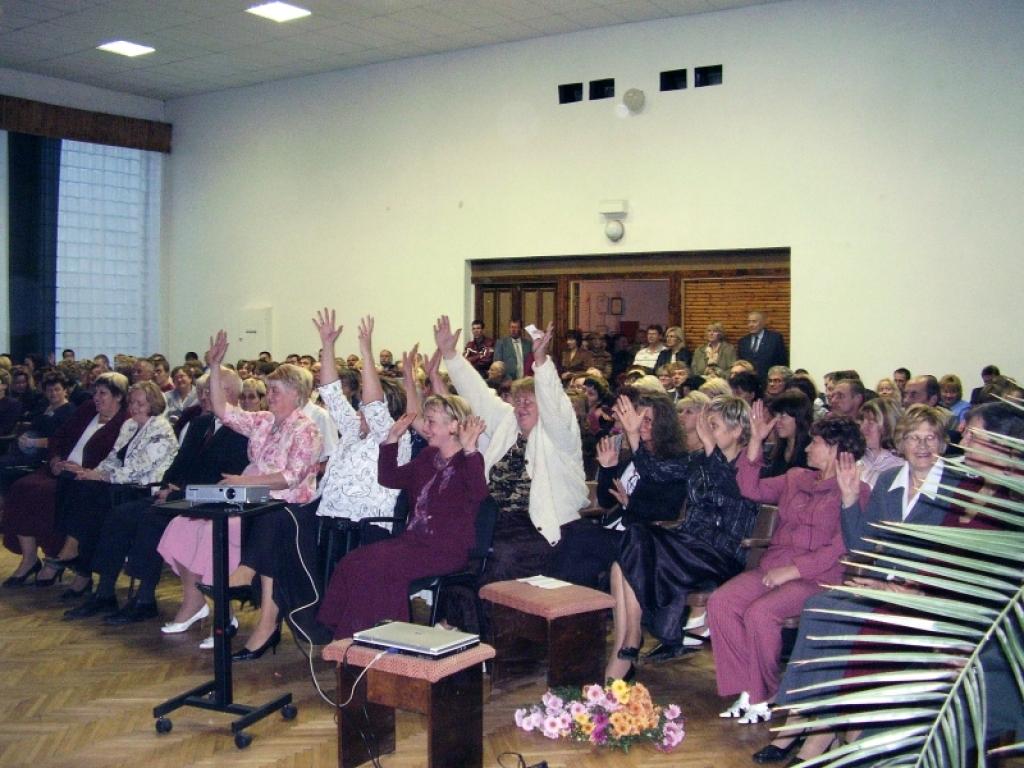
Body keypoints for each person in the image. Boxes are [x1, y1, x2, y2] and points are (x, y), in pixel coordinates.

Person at [755, 404, 960, 763]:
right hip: (880, 586)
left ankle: (814, 731)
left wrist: (913, 586)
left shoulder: (956, 489)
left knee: (840, 625)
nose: (922, 445)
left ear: (942, 443)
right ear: (901, 442)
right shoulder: (889, 482)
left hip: (925, 596)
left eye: (931, 437)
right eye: (913, 437)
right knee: (820, 608)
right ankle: (806, 723)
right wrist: (850, 500)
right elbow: (861, 546)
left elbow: (960, 556)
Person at [157, 333, 321, 659]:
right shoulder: (262, 422)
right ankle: (200, 603)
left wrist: (246, 486)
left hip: (284, 502)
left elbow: (291, 476)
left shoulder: (307, 429)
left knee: (216, 529)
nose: (266, 395)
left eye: (275, 390)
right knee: (184, 523)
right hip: (249, 492)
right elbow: (222, 409)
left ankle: (227, 604)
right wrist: (215, 366)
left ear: (297, 394)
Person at [710, 408, 870, 724]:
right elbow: (749, 489)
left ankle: (765, 694)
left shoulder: (856, 490)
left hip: (818, 577)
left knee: (761, 613)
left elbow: (840, 547)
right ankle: (750, 690)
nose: (808, 448)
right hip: (774, 567)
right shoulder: (797, 477)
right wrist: (754, 442)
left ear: (836, 448)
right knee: (721, 603)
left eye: (816, 443)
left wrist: (795, 570)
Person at [438, 316, 589, 631]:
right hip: (495, 515)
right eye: (518, 399)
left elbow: (556, 405)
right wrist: (451, 356)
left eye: (529, 401)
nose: (521, 405)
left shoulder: (560, 435)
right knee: (454, 543)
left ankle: (492, 634)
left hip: (536, 523)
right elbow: (479, 396)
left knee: (499, 556)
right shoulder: (507, 423)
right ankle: (457, 626)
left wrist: (542, 361)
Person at [605, 396, 760, 677]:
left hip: (719, 555)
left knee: (634, 547)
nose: (704, 431)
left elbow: (732, 490)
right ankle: (627, 641)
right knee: (626, 554)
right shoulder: (699, 459)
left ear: (737, 430)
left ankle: (629, 645)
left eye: (712, 425)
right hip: (689, 546)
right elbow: (657, 471)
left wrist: (711, 447)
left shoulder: (750, 462)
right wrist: (632, 434)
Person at [317, 395, 488, 639]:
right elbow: (389, 478)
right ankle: (349, 633)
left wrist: (471, 449)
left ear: (453, 426)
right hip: (413, 544)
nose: (425, 428)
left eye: (431, 422)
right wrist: (392, 440)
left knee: (382, 570)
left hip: (445, 550)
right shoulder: (428, 457)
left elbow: (479, 493)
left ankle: (385, 641)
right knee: (354, 561)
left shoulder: (468, 461)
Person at [91, 372, 250, 626]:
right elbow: (179, 462)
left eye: (209, 392)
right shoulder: (200, 424)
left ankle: (144, 598)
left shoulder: (244, 429)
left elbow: (223, 477)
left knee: (151, 520)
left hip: (208, 500)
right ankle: (105, 590)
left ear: (229, 393)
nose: (203, 397)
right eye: (202, 392)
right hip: (178, 493)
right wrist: (166, 485)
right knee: (120, 514)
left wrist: (177, 492)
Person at [55, 381, 179, 618]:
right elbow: (113, 458)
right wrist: (92, 472)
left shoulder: (161, 429)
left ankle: (95, 580)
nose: (135, 407)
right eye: (132, 402)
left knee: (107, 512)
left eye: (140, 403)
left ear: (153, 404)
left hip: (143, 488)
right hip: (121, 486)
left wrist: (102, 476)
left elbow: (139, 469)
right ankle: (100, 587)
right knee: (82, 490)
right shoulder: (129, 426)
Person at [548, 392, 690, 590]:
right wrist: (608, 468)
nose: (641, 425)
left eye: (648, 420)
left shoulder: (675, 462)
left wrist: (630, 504)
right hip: (617, 531)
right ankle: (570, 611)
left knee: (577, 535)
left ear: (664, 425)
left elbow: (665, 508)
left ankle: (557, 603)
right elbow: (606, 502)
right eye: (639, 419)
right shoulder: (634, 456)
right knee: (579, 561)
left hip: (644, 540)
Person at [2, 373, 130, 587]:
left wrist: (84, 469)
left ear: (118, 396)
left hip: (86, 476)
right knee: (21, 488)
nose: (96, 398)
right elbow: (60, 436)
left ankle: (57, 559)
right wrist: (55, 458)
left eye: (103, 394)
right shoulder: (88, 409)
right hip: (60, 468)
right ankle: (29, 558)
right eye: (95, 392)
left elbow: (114, 458)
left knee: (48, 495)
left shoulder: (124, 422)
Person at [761, 389, 813, 478]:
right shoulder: (779, 449)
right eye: (775, 415)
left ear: (799, 417)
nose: (777, 421)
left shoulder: (811, 452)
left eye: (783, 415)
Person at [856, 397, 905, 488]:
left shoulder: (900, 467)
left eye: (871, 422)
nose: (863, 428)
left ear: (888, 426)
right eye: (862, 421)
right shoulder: (858, 461)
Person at [736, 311, 788, 380]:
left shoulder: (775, 339)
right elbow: (740, 363)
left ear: (763, 323)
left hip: (769, 381)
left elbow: (782, 362)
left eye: (754, 322)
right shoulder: (743, 341)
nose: (751, 325)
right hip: (748, 383)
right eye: (749, 322)